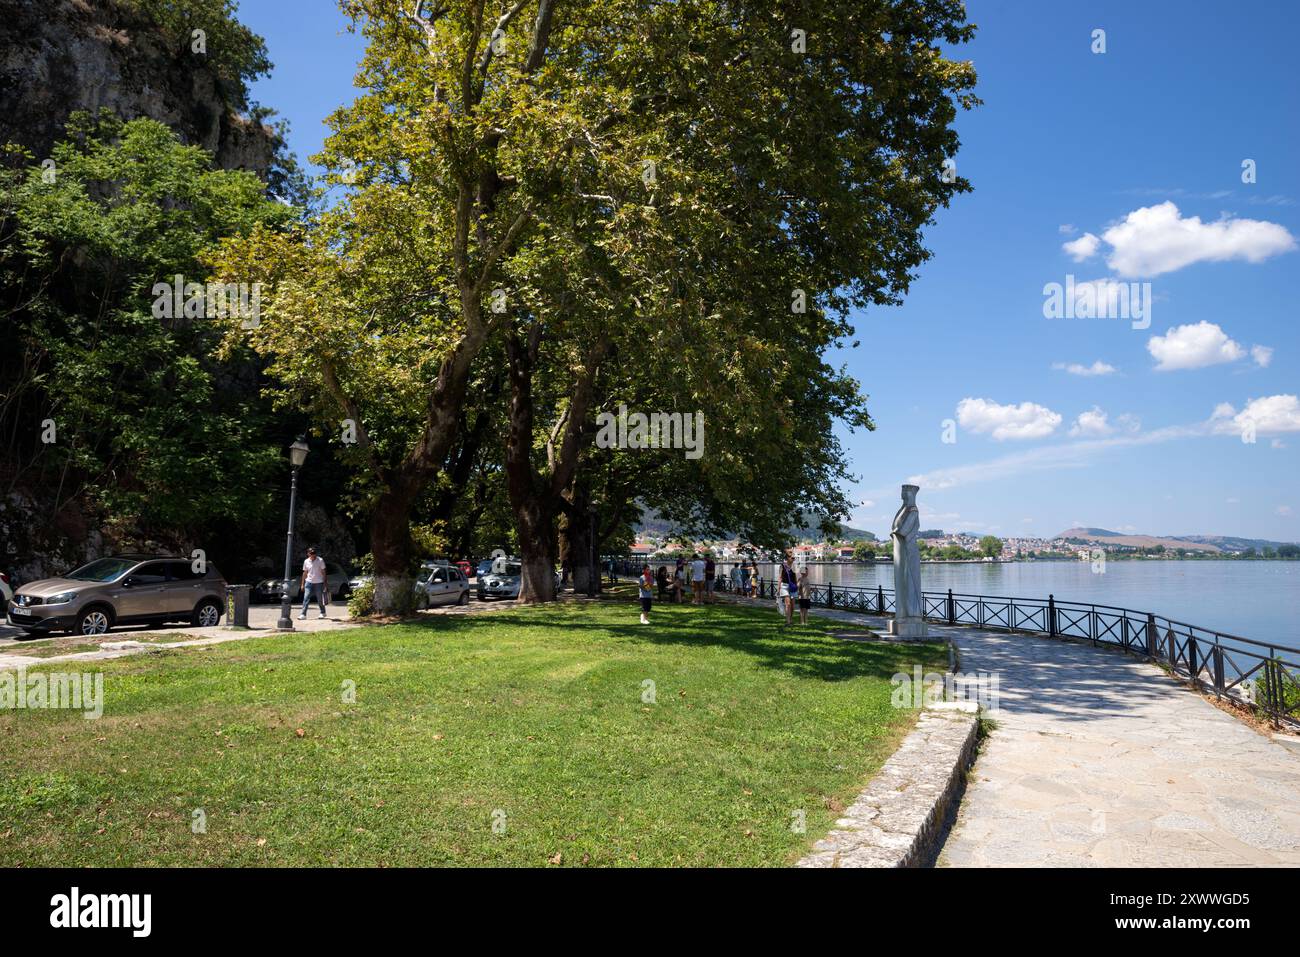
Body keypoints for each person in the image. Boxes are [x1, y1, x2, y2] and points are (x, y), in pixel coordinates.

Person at [299, 546, 328, 620]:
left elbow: (324, 572)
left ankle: (322, 612)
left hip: (319, 582)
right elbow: (305, 573)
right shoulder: (306, 561)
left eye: (314, 553)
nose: (313, 555)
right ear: (308, 554)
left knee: (319, 599)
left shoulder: (320, 560)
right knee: (306, 598)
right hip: (308, 582)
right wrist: (302, 584)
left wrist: (325, 584)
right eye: (311, 553)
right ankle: (303, 614)